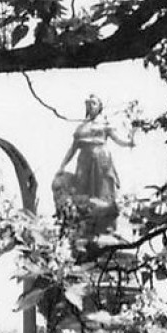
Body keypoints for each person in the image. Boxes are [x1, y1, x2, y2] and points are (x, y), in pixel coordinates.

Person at [55, 95, 135, 235]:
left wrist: (129, 142)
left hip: (101, 158)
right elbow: (72, 149)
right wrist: (62, 165)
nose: (90, 106)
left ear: (99, 106)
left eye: (93, 103)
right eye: (88, 103)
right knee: (82, 190)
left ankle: (106, 226)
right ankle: (85, 223)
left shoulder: (104, 125)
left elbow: (117, 139)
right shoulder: (81, 127)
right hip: (84, 159)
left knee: (103, 190)